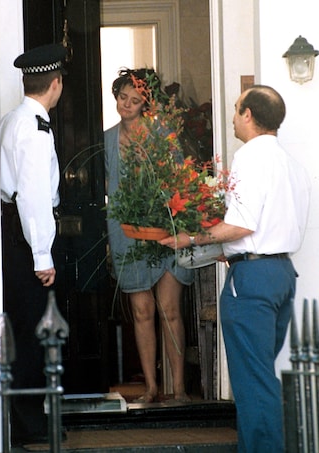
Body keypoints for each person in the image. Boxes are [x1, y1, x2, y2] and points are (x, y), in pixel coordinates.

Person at [160, 85, 311, 452]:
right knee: (259, 377)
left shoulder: (250, 156)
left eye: (235, 109)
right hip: (281, 275)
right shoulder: (291, 163)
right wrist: (234, 247)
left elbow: (243, 225)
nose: (231, 116)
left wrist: (192, 239)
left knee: (253, 383)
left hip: (253, 279)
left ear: (248, 115)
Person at [105, 68, 194, 403]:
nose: (126, 104)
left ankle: (180, 388)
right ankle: (151, 387)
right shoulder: (106, 139)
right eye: (122, 97)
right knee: (142, 311)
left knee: (169, 309)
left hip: (165, 229)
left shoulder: (162, 135)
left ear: (146, 103)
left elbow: (179, 183)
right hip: (126, 233)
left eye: (135, 100)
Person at [0, 43, 67, 446]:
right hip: (25, 237)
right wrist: (42, 253)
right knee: (33, 329)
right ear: (55, 84)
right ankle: (30, 425)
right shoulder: (35, 128)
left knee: (27, 327)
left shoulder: (13, 119)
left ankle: (29, 419)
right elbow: (33, 195)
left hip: (14, 230)